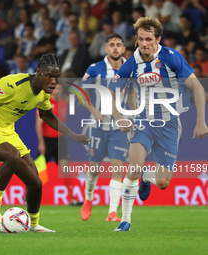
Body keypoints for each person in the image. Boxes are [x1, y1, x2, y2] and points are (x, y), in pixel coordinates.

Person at [0, 53, 90, 233]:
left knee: (35, 183)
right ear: (38, 72)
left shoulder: (43, 93)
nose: (54, 81)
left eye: (56, 76)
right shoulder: (12, 84)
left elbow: (47, 115)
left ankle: (33, 224)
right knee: (12, 156)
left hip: (7, 131)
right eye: (49, 75)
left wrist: (74, 136)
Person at [108, 17, 208, 231]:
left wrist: (201, 121)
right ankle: (125, 220)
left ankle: (147, 176)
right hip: (143, 122)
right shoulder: (132, 63)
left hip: (170, 124)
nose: (144, 43)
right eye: (140, 38)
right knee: (133, 167)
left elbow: (198, 88)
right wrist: (119, 116)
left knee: (163, 183)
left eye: (148, 39)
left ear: (158, 39)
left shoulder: (172, 58)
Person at [80, 33, 135, 222]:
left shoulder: (130, 68)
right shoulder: (95, 69)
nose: (115, 48)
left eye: (119, 44)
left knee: (117, 166)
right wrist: (94, 110)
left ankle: (112, 211)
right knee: (94, 168)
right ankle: (88, 198)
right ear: (106, 48)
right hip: (98, 125)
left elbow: (132, 94)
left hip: (119, 126)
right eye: (112, 45)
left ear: (124, 48)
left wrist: (134, 118)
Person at [35, 84, 78, 205]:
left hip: (60, 140)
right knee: (39, 172)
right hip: (46, 140)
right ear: (52, 90)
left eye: (61, 89)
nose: (59, 91)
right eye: (57, 88)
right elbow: (38, 125)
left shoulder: (64, 103)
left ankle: (72, 199)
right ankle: (29, 196)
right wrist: (41, 142)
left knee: (66, 169)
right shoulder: (44, 103)